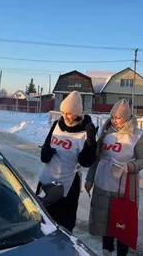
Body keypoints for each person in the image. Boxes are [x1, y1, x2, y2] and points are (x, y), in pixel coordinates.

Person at [85, 99, 143, 256]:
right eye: (112, 116)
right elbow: (97, 157)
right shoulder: (105, 132)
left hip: (123, 188)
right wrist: (90, 178)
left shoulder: (137, 136)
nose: (114, 120)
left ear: (127, 118)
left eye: (118, 117)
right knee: (104, 221)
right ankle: (107, 250)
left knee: (121, 223)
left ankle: (122, 253)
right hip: (102, 183)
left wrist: (129, 167)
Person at [38, 91, 98, 233]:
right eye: (63, 112)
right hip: (47, 178)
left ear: (78, 113)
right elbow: (46, 146)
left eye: (70, 113)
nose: (66, 116)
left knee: (62, 224)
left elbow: (85, 162)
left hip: (67, 184)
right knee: (42, 218)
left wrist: (90, 144)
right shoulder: (57, 125)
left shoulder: (85, 131)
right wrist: (45, 153)